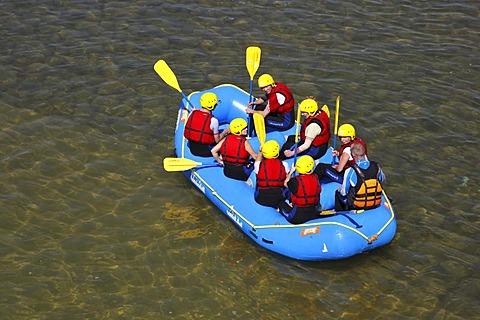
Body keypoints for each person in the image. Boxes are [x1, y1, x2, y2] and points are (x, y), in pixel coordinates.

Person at [335, 142, 385, 211]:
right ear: (364, 153)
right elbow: (381, 179)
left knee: (338, 193)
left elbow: (344, 193)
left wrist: (340, 189)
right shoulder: (376, 166)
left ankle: (340, 214)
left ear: (352, 154)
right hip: (375, 202)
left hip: (357, 205)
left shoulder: (350, 170)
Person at [278, 155, 322, 224]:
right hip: (313, 213)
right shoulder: (316, 178)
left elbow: (285, 183)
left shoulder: (295, 181)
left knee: (281, 204)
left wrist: (291, 172)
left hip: (297, 217)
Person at [211, 118, 257, 182]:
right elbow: (255, 157)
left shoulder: (225, 139)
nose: (246, 129)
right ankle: (250, 180)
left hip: (227, 172)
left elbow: (213, 151)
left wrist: (220, 161)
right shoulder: (244, 142)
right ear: (238, 130)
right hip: (242, 173)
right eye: (244, 128)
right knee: (253, 161)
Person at [184, 92, 229, 157]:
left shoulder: (192, 113)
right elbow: (217, 140)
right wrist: (226, 131)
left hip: (192, 150)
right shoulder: (214, 121)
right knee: (228, 137)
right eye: (215, 104)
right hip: (207, 152)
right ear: (212, 106)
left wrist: (195, 111)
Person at [253, 140, 289, 208]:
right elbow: (286, 181)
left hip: (261, 198)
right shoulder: (284, 164)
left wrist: (260, 152)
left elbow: (257, 160)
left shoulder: (259, 164)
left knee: (258, 179)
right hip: (278, 198)